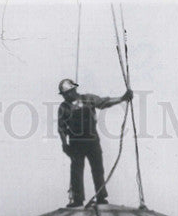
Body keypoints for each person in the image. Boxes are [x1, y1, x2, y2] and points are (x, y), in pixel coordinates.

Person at [57, 78, 133, 207]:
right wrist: (64, 144)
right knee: (76, 171)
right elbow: (61, 128)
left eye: (66, 93)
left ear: (73, 90)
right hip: (76, 143)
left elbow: (104, 102)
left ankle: (101, 196)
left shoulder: (88, 99)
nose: (65, 96)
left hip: (92, 141)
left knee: (98, 169)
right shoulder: (64, 107)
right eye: (64, 94)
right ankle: (77, 199)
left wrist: (122, 98)